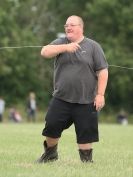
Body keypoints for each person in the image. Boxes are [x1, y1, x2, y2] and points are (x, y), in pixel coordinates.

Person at [36, 15, 108, 163]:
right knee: (51, 126)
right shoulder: (61, 42)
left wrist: (100, 94)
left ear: (81, 27)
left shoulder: (93, 46)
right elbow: (44, 52)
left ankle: (87, 161)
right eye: (66, 25)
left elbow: (103, 71)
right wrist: (65, 47)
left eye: (72, 25)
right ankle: (50, 155)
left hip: (86, 100)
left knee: (86, 133)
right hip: (61, 98)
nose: (68, 27)